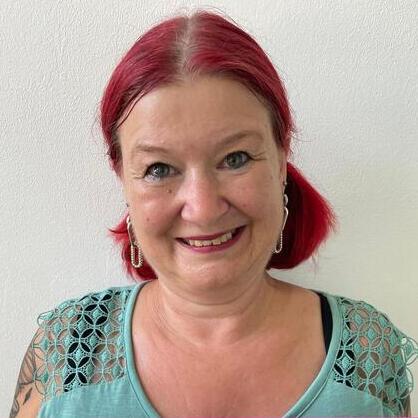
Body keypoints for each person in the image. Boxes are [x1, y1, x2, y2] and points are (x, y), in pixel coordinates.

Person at [10, 10, 417, 418]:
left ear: (281, 162)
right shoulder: (66, 352)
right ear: (124, 182)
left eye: (235, 158)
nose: (203, 209)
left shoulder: (368, 358)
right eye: (159, 169)